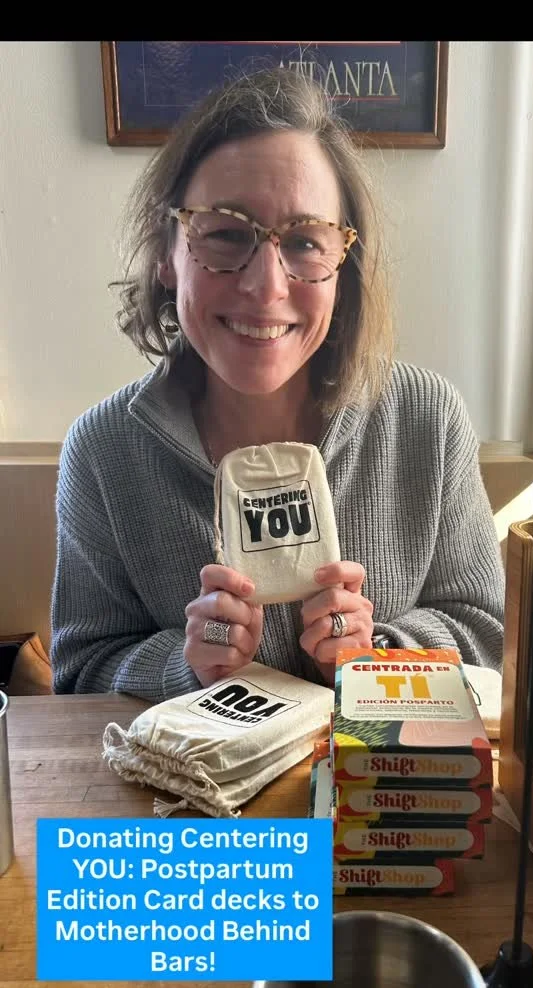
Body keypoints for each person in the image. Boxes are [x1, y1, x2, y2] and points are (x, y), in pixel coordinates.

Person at [51, 65, 505, 702]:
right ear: (166, 255)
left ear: (344, 265)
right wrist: (185, 666)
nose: (265, 287)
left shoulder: (427, 422)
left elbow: (487, 639)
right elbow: (80, 672)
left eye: (306, 242)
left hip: (375, 768)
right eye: (225, 233)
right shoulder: (104, 452)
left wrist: (376, 658)